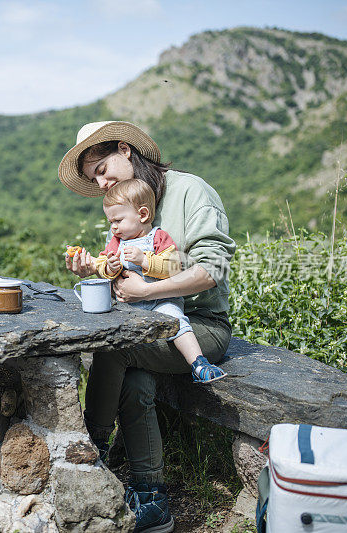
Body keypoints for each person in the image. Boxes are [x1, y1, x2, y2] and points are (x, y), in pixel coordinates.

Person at [59, 121, 236, 533]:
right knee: (135, 381)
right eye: (94, 179)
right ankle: (151, 498)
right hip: (145, 328)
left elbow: (216, 267)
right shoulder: (124, 205)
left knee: (114, 349)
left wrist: (144, 294)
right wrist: (95, 269)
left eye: (103, 169)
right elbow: (121, 269)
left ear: (125, 149)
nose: (101, 184)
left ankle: (93, 447)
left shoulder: (192, 191)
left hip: (199, 326)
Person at [68, 178, 227, 385]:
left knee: (177, 323)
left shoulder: (158, 237)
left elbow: (173, 267)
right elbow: (103, 265)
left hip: (161, 301)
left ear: (142, 215)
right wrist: (105, 267)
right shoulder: (117, 242)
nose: (114, 228)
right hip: (132, 307)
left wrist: (145, 260)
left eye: (118, 221)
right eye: (111, 223)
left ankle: (198, 363)